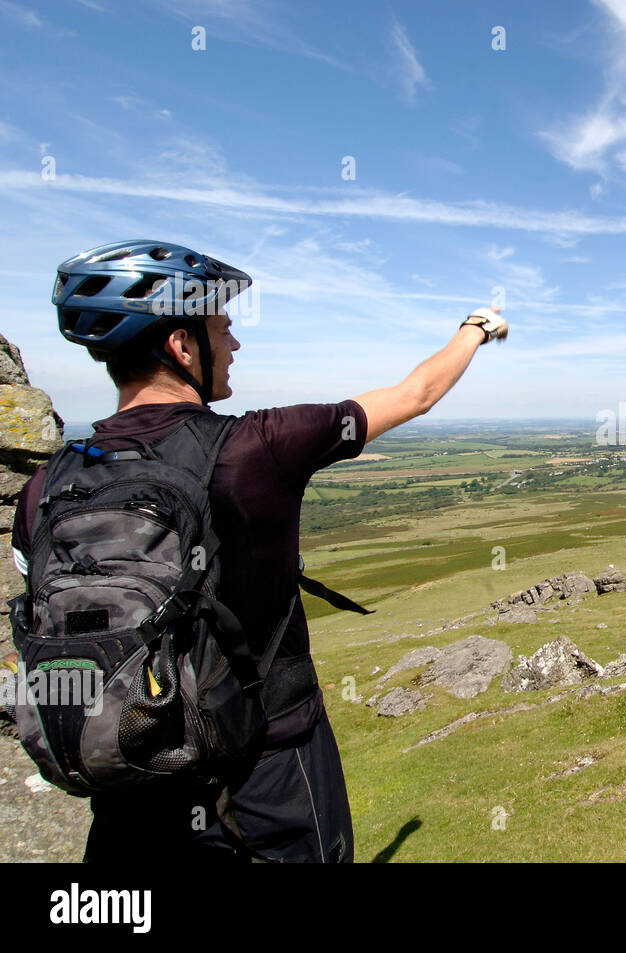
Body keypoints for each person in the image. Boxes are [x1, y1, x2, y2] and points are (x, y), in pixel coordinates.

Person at [9, 240, 507, 861]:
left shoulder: (45, 487)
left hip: (129, 766)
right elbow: (416, 395)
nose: (235, 344)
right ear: (182, 346)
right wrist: (476, 328)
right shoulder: (257, 446)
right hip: (267, 769)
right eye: (223, 328)